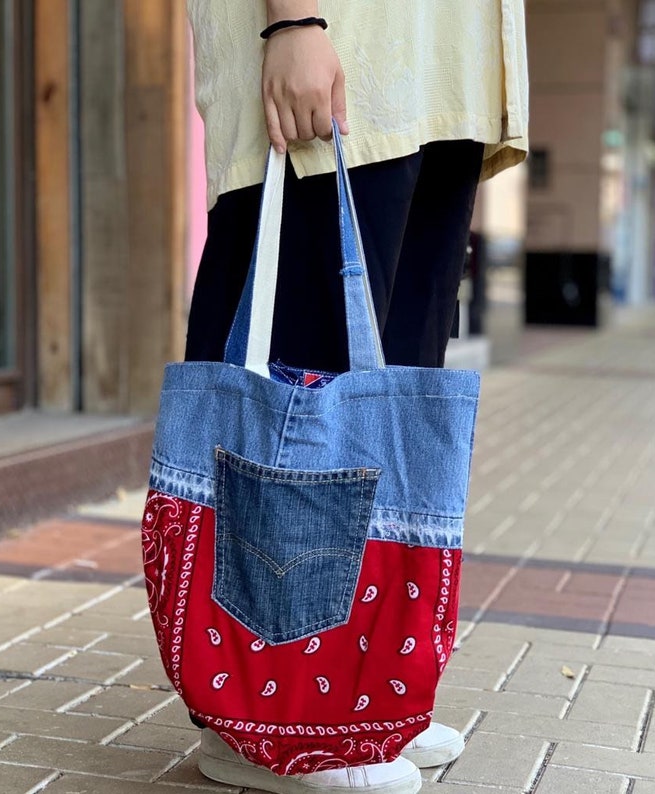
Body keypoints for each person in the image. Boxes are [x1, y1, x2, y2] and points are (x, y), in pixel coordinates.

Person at [183, 2, 528, 792]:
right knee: (302, 391)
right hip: (344, 44)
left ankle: (358, 698)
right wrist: (292, 18)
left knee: (388, 401)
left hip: (442, 82)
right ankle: (268, 718)